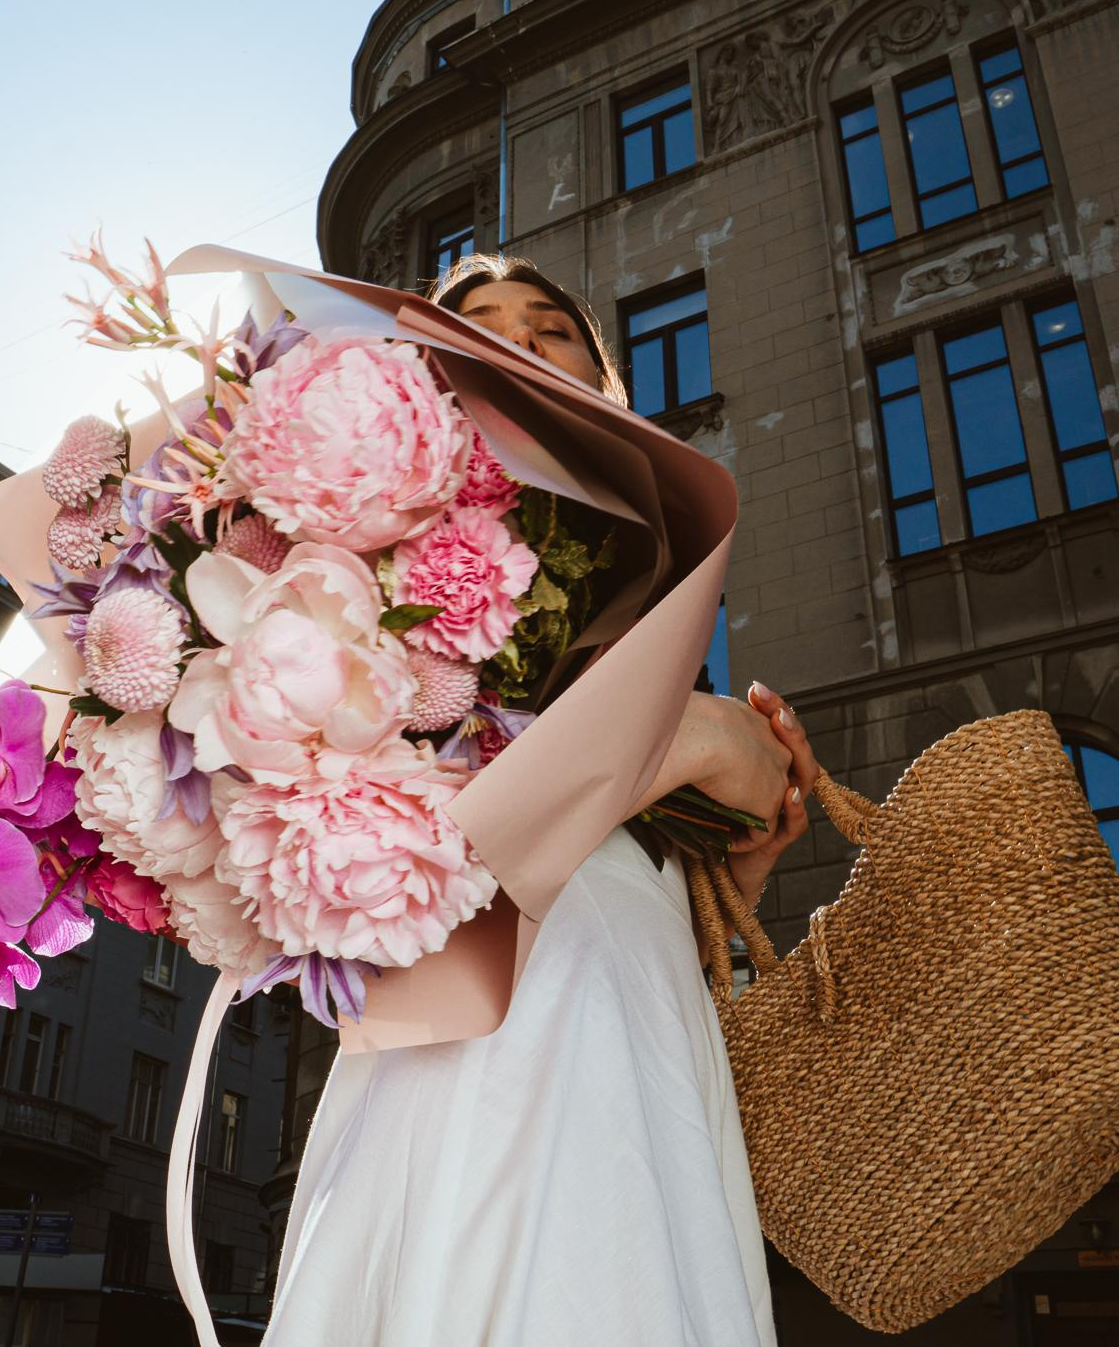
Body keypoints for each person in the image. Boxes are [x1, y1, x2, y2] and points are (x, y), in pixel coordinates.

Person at [261, 255, 816, 1346]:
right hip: (477, 990)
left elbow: (705, 812)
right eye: (479, 323)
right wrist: (692, 743)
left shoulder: (650, 567)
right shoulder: (349, 564)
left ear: (603, 382)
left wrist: (735, 862)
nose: (519, 336)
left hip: (640, 993)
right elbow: (373, 839)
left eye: (552, 327)